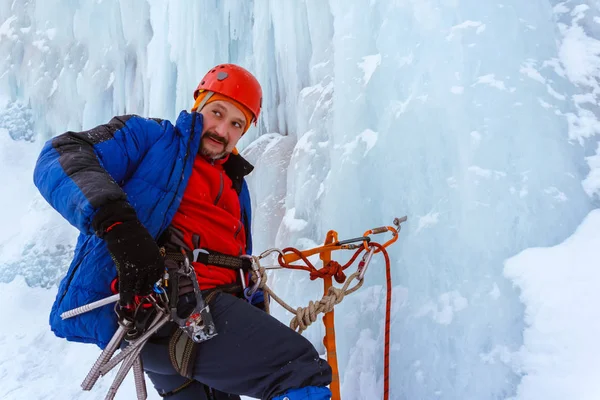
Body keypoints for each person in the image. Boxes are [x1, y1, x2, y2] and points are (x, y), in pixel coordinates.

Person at [33, 63, 332, 400]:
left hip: (197, 328)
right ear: (198, 104)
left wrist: (255, 309)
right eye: (216, 112)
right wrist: (119, 226)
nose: (222, 129)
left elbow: (235, 260)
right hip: (168, 307)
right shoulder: (152, 138)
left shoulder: (236, 188)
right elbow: (63, 154)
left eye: (237, 124)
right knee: (298, 370)